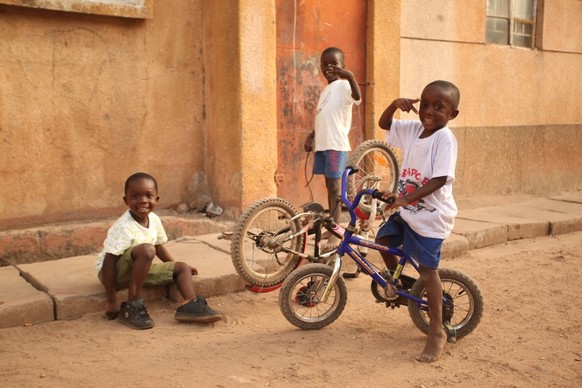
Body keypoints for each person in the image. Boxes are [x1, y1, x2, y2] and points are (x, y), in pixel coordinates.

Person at [375, 80, 460, 363]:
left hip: (432, 217)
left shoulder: (444, 139)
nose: (429, 111)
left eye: (439, 107)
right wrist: (393, 105)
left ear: (452, 115)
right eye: (424, 104)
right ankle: (402, 290)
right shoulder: (413, 130)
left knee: (428, 271)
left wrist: (406, 198)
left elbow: (439, 178)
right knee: (383, 240)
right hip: (409, 211)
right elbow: (385, 123)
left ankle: (437, 330)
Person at [95, 172, 222, 329]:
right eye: (135, 196)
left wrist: (172, 266)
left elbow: (158, 246)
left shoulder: (154, 219)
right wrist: (111, 299)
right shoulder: (123, 226)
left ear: (157, 199)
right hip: (113, 273)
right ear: (126, 200)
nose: (143, 201)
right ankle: (131, 305)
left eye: (149, 196)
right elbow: (109, 262)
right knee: (147, 250)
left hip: (138, 270)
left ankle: (190, 304)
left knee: (181, 267)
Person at [304, 47, 362, 250]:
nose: (328, 68)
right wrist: (312, 136)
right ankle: (332, 224)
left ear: (343, 67)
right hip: (323, 143)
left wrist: (350, 77)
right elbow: (323, 116)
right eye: (324, 64)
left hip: (336, 144)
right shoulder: (326, 90)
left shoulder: (345, 85)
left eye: (334, 64)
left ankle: (337, 232)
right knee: (329, 187)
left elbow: (357, 97)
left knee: (336, 189)